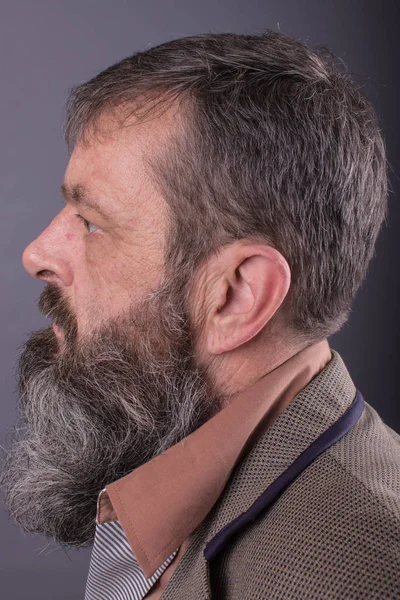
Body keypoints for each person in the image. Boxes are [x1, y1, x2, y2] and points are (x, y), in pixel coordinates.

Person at [1, 30, 399, 600]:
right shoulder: (176, 464)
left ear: (236, 298)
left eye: (91, 223)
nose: (37, 253)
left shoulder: (359, 577)